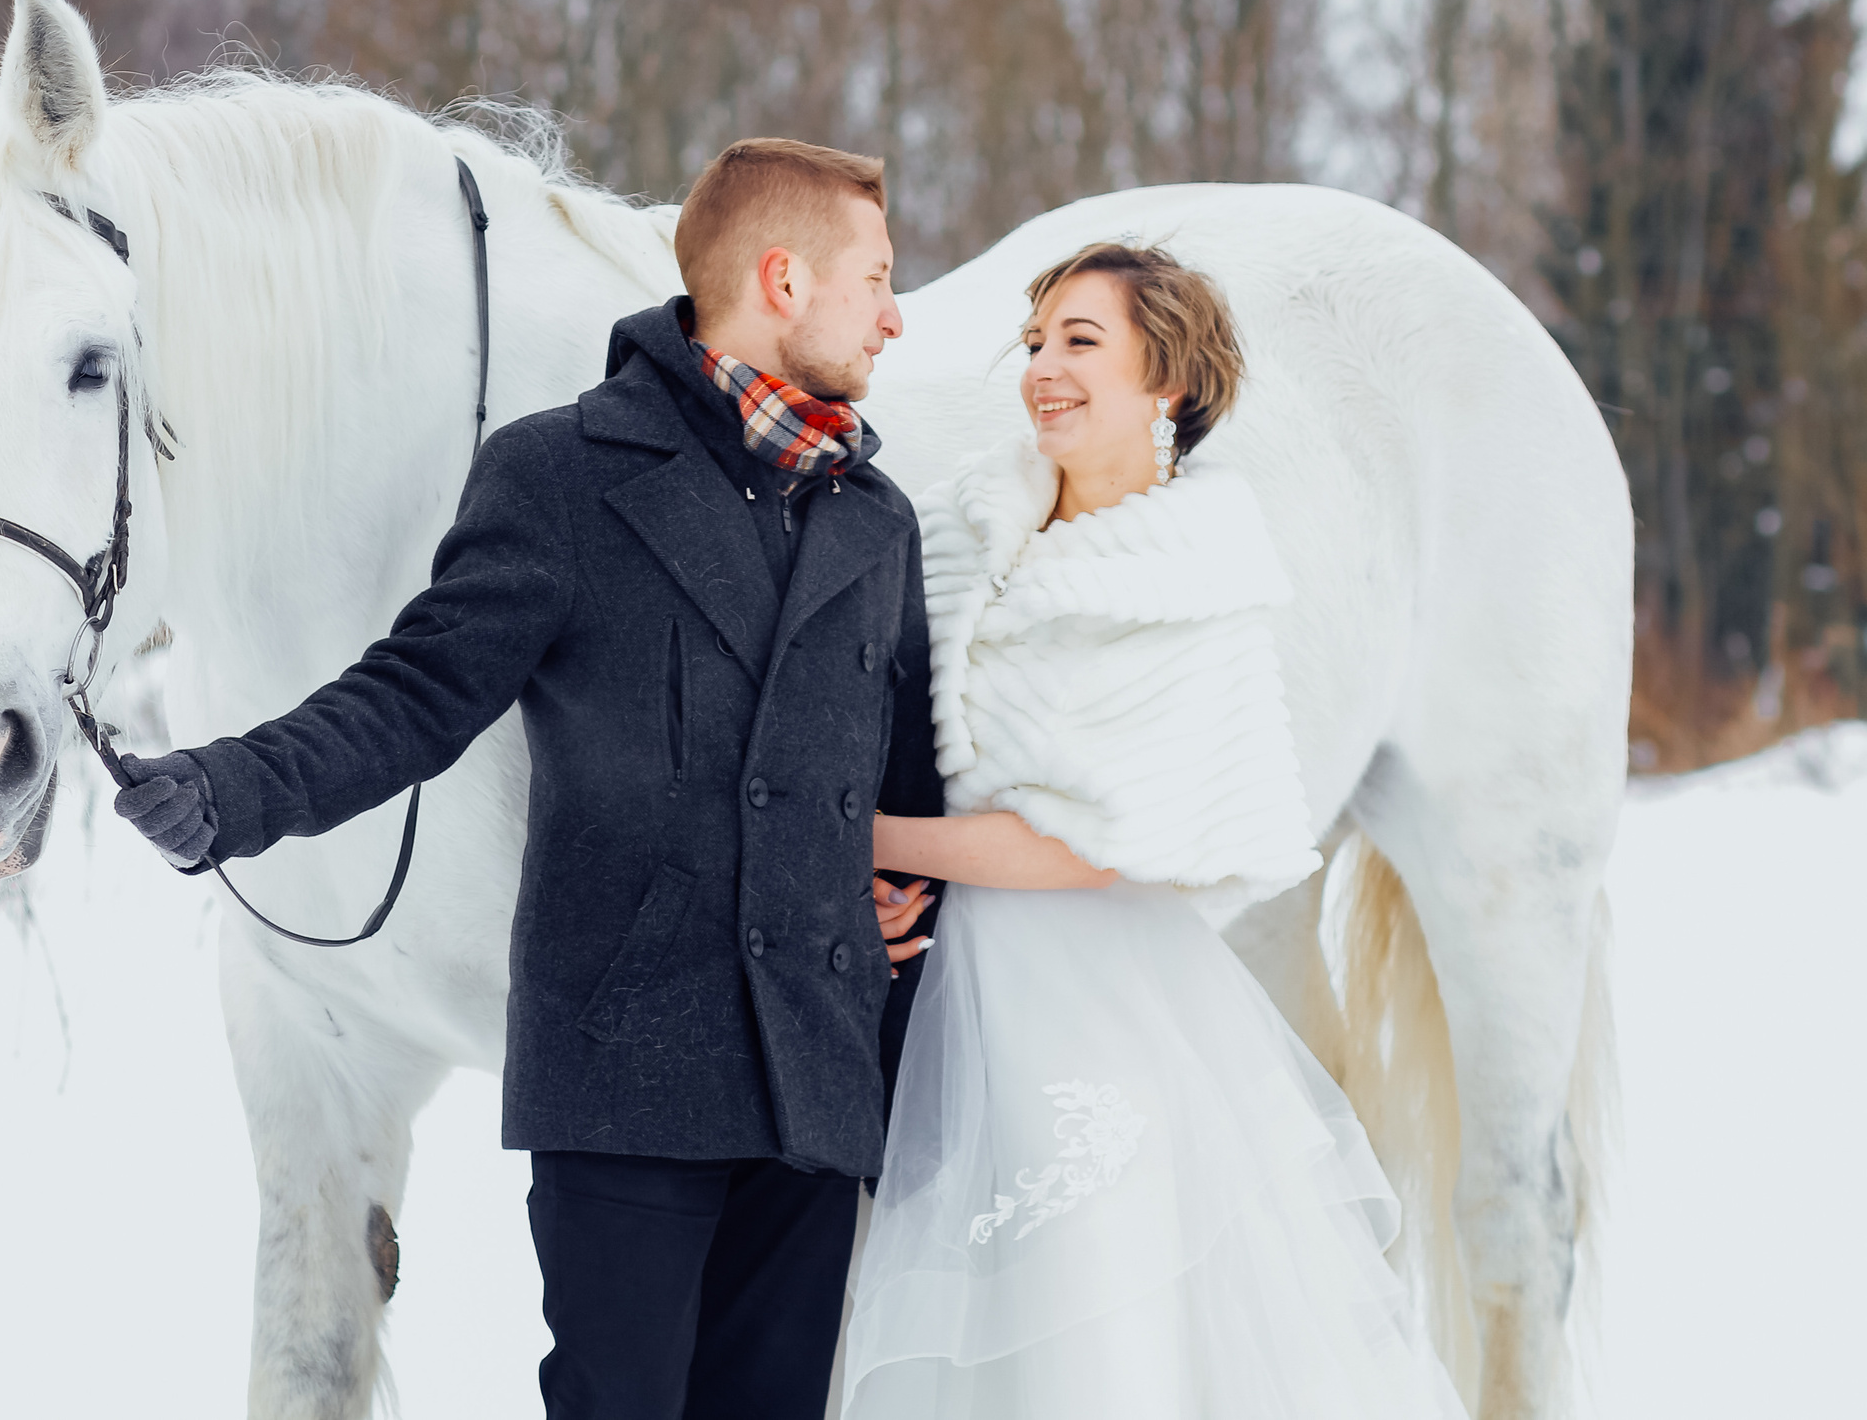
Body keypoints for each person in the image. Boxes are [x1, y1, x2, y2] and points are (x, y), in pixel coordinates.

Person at [112, 139, 996, 1419]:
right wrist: (235, 789)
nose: (897, 313)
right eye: (876, 277)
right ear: (784, 281)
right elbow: (417, 693)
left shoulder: (874, 518)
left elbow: (900, 778)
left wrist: (905, 911)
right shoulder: (562, 475)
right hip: (629, 1072)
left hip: (811, 1081)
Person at [837, 243, 1468, 1418]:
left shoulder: (1193, 578)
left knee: (1098, 1331)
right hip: (934, 1002)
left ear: (1167, 378)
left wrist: (862, 841)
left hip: (1093, 1016)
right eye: (1034, 342)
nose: (1043, 368)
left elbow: (1086, 845)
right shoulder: (962, 530)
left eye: (1081, 342)